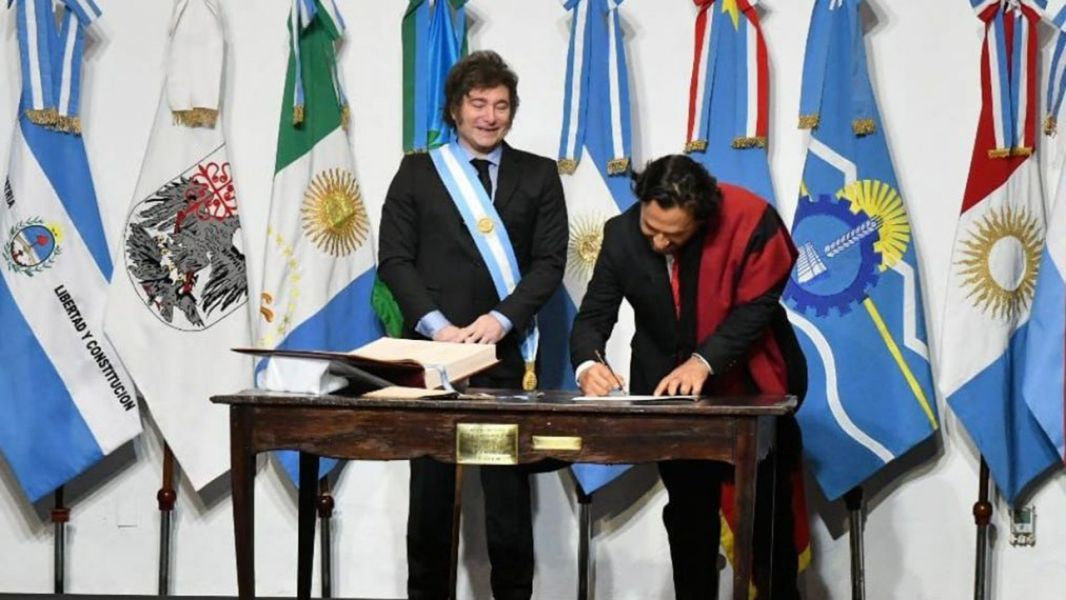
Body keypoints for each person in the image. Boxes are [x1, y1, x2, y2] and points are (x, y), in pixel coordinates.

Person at [570, 154, 807, 599]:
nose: (660, 242)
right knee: (689, 525)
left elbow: (757, 307)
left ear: (701, 219)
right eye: (651, 228)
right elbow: (594, 315)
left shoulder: (748, 221)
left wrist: (704, 361)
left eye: (673, 234)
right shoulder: (622, 235)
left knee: (768, 528)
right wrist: (588, 364)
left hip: (752, 389)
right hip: (672, 402)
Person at [377, 50, 567, 600]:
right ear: (455, 110)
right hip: (432, 362)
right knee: (430, 499)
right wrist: (437, 327)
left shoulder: (538, 173)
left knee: (507, 504)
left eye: (501, 105)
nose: (490, 116)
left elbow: (549, 263)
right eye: (478, 104)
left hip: (504, 361)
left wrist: (502, 319)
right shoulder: (418, 171)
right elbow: (395, 259)